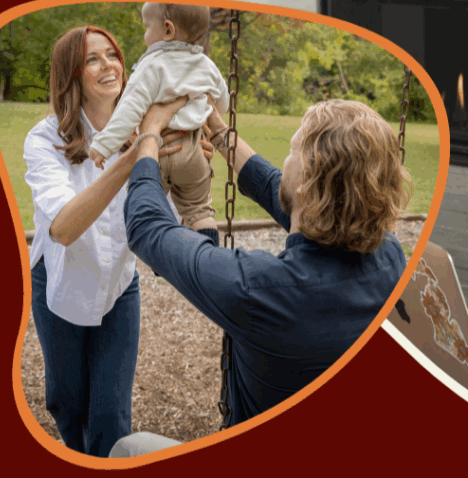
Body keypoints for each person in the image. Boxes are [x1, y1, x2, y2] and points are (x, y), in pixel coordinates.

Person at [121, 96, 410, 428]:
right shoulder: (389, 255)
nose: (285, 161)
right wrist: (218, 130)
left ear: (307, 183)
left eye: (292, 150)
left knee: (129, 447)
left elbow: (148, 227)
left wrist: (149, 137)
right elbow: (278, 187)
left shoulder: (258, 291)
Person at [24, 25, 208, 456]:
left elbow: (166, 213)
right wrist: (136, 154)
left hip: (120, 287)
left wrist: (188, 166)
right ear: (71, 74)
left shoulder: (151, 128)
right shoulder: (46, 139)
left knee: (111, 419)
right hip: (60, 281)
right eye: (92, 59)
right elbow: (66, 228)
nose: (109, 65)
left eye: (112, 55)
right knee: (66, 404)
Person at [89, 3, 229, 232]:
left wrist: (104, 145)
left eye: (146, 27)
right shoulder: (206, 65)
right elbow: (221, 104)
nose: (145, 34)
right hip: (195, 150)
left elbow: (129, 109)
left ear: (167, 30)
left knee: (147, 204)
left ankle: (161, 256)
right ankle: (206, 245)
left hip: (158, 149)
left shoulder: (151, 65)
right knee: (199, 209)